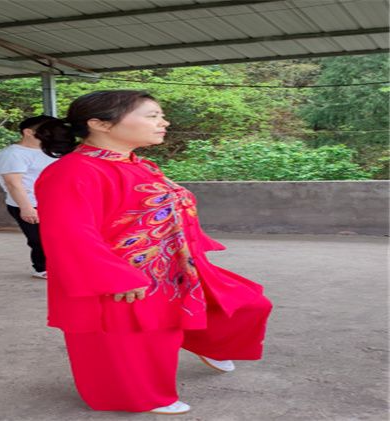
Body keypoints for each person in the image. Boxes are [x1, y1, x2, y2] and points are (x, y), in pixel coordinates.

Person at [34, 91, 272, 415]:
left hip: (170, 266)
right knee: (132, 342)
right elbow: (69, 233)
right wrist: (114, 277)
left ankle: (206, 343)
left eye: (160, 115)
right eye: (152, 116)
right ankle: (136, 397)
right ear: (100, 124)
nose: (164, 122)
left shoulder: (139, 164)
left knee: (246, 304)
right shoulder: (73, 172)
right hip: (119, 275)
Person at [0, 115, 57, 279]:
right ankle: (42, 268)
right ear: (28, 132)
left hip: (52, 202)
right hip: (29, 203)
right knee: (38, 239)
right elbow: (13, 183)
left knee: (56, 237)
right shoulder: (13, 154)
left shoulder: (50, 151)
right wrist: (26, 208)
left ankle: (58, 266)